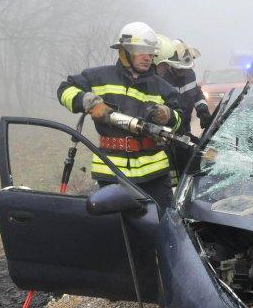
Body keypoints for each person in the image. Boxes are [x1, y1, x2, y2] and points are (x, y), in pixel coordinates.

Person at [57, 22, 182, 212]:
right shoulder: (98, 77)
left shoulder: (162, 87)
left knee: (162, 226)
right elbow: (64, 90)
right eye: (142, 51)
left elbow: (179, 118)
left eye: (151, 52)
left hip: (154, 175)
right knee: (115, 229)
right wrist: (89, 102)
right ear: (124, 51)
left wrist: (168, 115)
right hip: (111, 172)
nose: (148, 57)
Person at [154, 35, 210, 179]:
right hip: (167, 135)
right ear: (170, 65)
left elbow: (197, 94)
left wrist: (203, 111)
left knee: (191, 162)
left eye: (185, 69)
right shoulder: (161, 79)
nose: (183, 72)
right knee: (172, 170)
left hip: (185, 128)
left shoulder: (190, 75)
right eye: (179, 69)